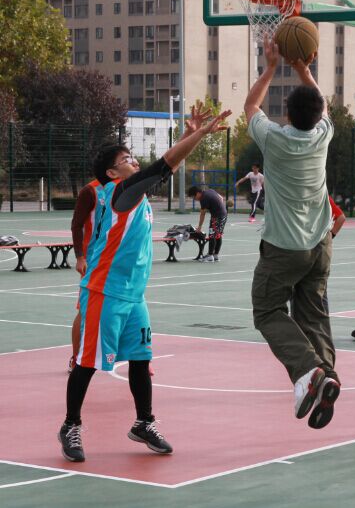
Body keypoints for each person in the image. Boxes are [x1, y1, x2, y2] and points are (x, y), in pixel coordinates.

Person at [58, 104, 231, 463]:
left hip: (133, 294)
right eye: (126, 159)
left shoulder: (136, 194)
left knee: (141, 358)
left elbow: (166, 168)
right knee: (87, 362)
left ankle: (144, 423)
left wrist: (188, 136)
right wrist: (199, 135)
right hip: (104, 290)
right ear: (112, 172)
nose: (134, 161)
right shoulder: (120, 194)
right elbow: (162, 166)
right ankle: (70, 425)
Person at [245, 36, 339, 430]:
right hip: (320, 244)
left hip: (285, 247)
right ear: (318, 116)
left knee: (267, 310)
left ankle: (307, 370)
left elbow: (251, 107)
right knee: (312, 313)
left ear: (286, 112)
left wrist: (270, 67)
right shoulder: (323, 135)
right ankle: (326, 375)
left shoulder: (274, 138)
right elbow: (322, 105)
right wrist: (302, 67)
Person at [68, 178, 104, 372]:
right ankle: (76, 358)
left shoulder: (126, 188)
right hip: (94, 259)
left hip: (119, 260)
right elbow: (76, 225)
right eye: (127, 162)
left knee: (131, 308)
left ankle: (140, 360)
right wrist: (80, 257)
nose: (134, 164)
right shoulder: (91, 190)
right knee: (85, 310)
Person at [187, 186, 228, 262]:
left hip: (217, 216)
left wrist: (199, 227)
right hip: (224, 214)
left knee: (212, 235)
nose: (194, 199)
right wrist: (218, 206)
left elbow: (202, 214)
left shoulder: (203, 198)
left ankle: (210, 256)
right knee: (218, 235)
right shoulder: (210, 191)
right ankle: (215, 255)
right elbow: (221, 198)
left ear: (197, 193)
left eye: (194, 197)